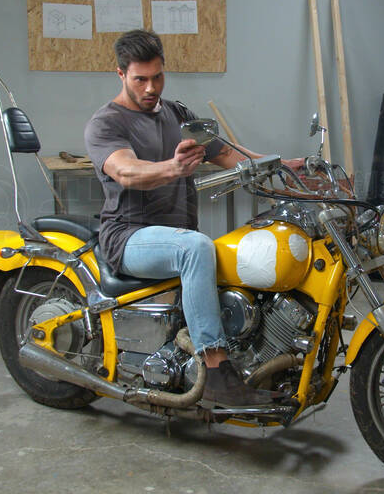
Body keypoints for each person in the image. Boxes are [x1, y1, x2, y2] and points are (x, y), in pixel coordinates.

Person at [84, 29, 301, 407]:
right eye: (141, 79)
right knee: (196, 248)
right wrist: (173, 167)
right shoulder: (107, 123)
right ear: (120, 74)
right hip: (128, 237)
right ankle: (217, 371)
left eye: (158, 77)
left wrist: (281, 165)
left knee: (237, 248)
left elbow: (229, 154)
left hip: (175, 235)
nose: (151, 87)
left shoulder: (177, 114)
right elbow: (127, 171)